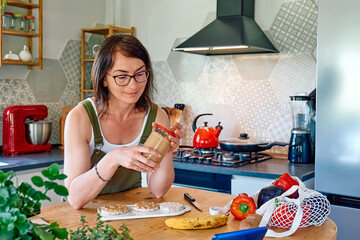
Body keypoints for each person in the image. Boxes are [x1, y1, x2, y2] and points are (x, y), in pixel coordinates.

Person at [64, 35, 185, 209]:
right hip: (85, 219)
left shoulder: (156, 116)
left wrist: (167, 150)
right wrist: (114, 158)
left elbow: (158, 190)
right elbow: (75, 199)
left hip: (129, 215)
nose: (133, 85)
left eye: (140, 74)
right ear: (104, 78)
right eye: (122, 77)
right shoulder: (80, 118)